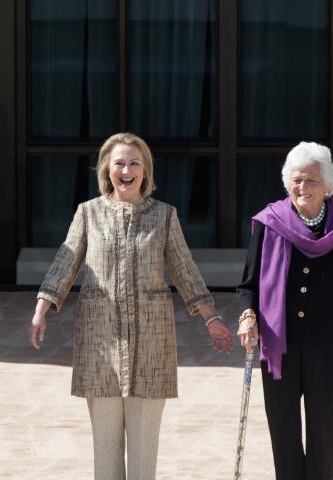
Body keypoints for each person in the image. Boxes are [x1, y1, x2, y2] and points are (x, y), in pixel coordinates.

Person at [29, 132, 234, 480]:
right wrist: (41, 308)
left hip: (151, 349)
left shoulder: (164, 216)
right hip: (99, 346)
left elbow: (185, 270)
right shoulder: (88, 213)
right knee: (105, 458)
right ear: (107, 169)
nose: (127, 170)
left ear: (145, 170)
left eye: (134, 163)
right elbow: (65, 262)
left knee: (143, 458)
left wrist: (211, 317)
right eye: (119, 163)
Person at [237, 141, 333, 480]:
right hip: (277, 343)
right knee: (283, 429)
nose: (302, 187)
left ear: (328, 184)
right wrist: (247, 316)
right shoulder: (269, 223)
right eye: (297, 180)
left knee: (324, 427)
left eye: (311, 180)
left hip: (326, 344)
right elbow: (248, 284)